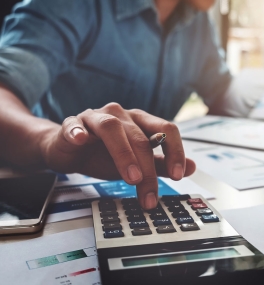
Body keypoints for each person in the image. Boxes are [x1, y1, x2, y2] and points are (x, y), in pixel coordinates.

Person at [0, 0, 250, 209]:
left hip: (141, 194)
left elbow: (223, 94)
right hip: (50, 193)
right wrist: (47, 140)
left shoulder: (198, 21)